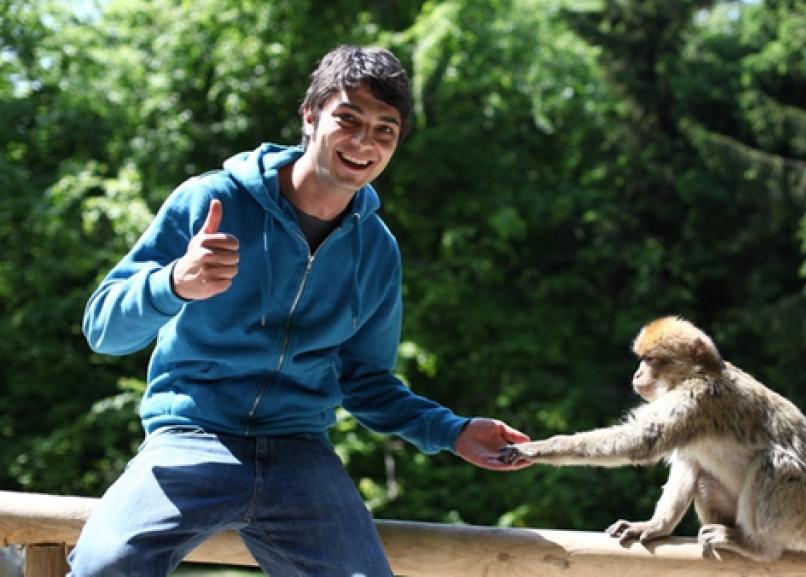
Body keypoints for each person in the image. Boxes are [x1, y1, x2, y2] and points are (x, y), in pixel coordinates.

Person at [72, 45, 530, 577]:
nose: (364, 143)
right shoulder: (213, 200)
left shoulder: (377, 250)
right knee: (107, 563)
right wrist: (174, 283)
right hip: (191, 435)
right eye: (349, 119)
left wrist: (450, 431)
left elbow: (365, 380)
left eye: (385, 130)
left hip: (299, 454)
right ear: (310, 116)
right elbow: (102, 327)